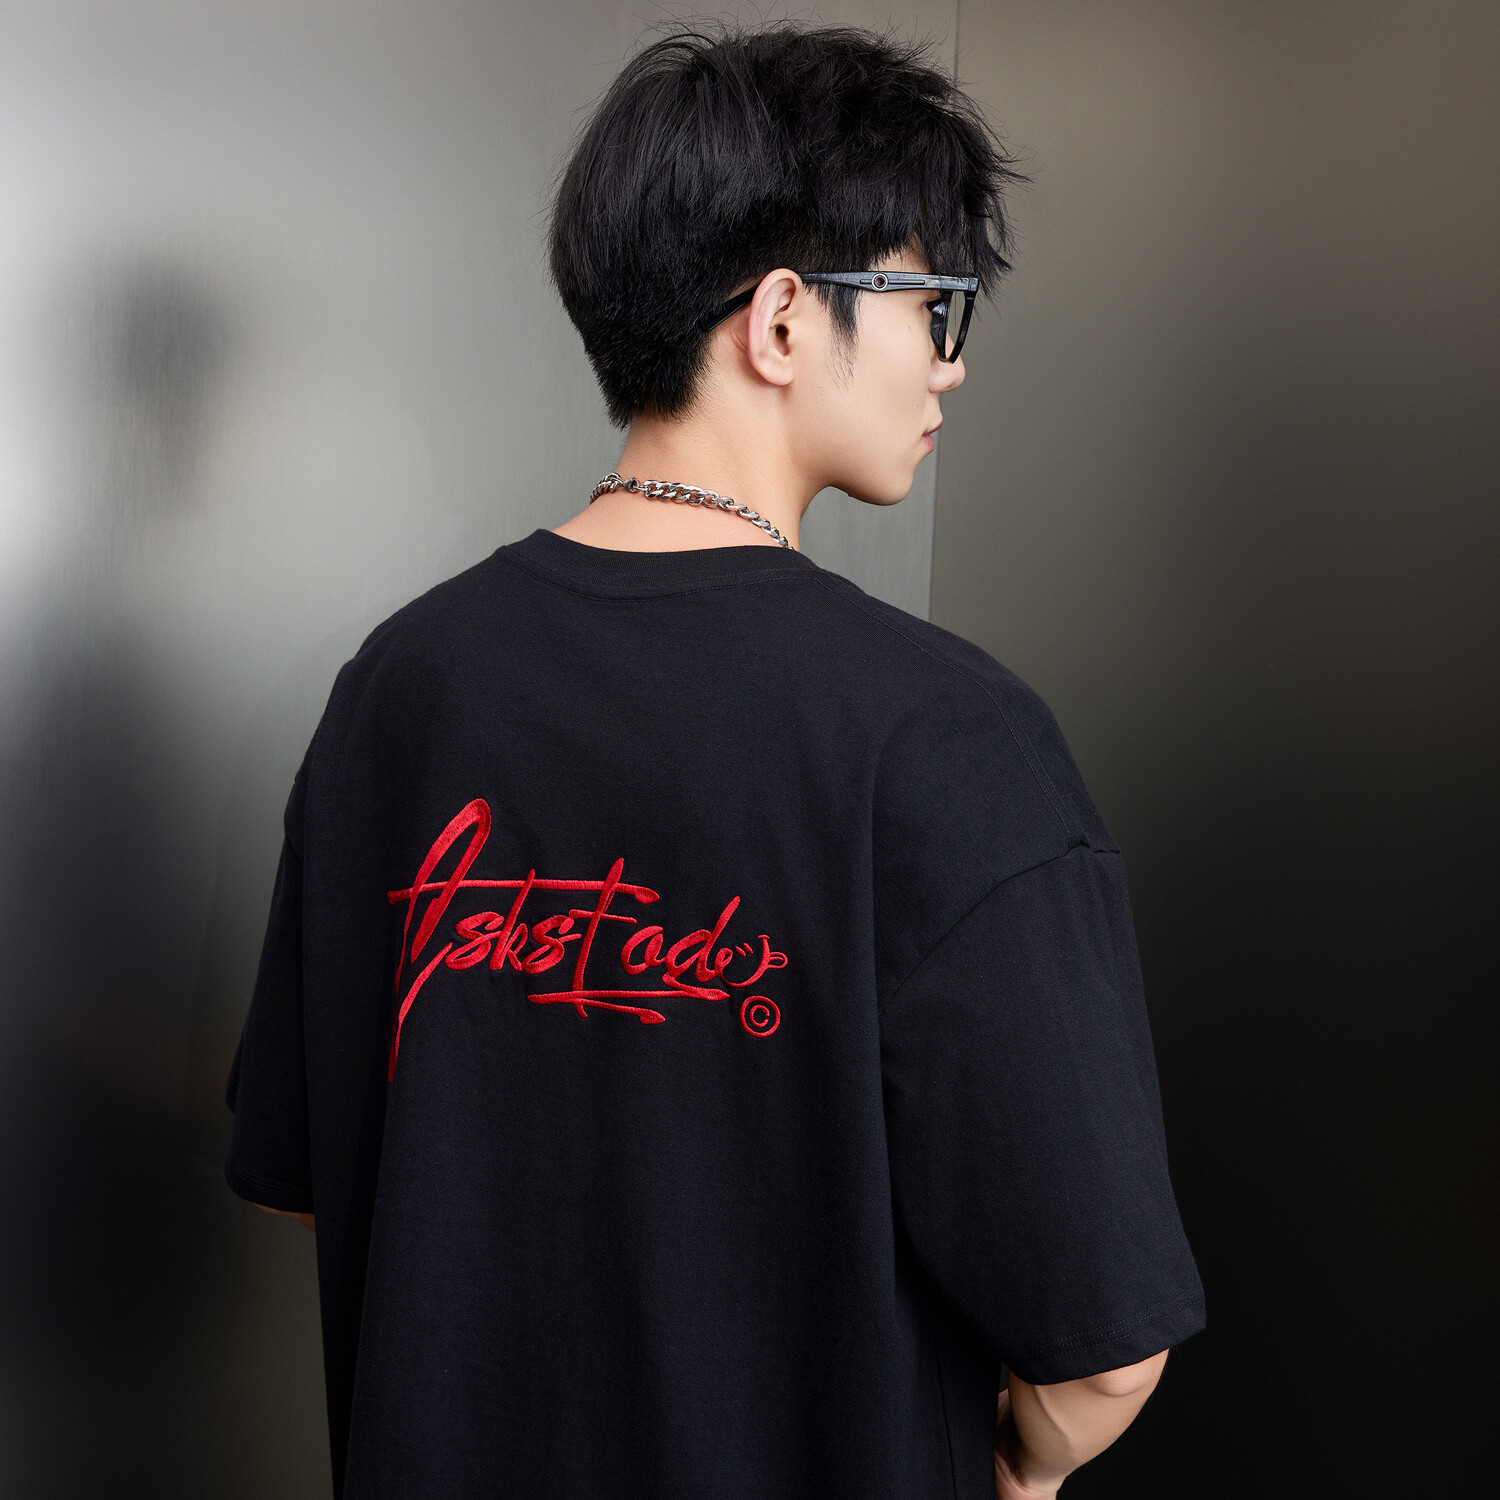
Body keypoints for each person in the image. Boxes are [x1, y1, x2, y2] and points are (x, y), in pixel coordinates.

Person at [225, 21, 1205, 1499]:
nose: (950, 368)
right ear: (786, 321)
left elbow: (318, 1180)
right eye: (934, 305)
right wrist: (1017, 1472)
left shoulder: (398, 690)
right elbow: (1103, 1351)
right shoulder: (946, 742)